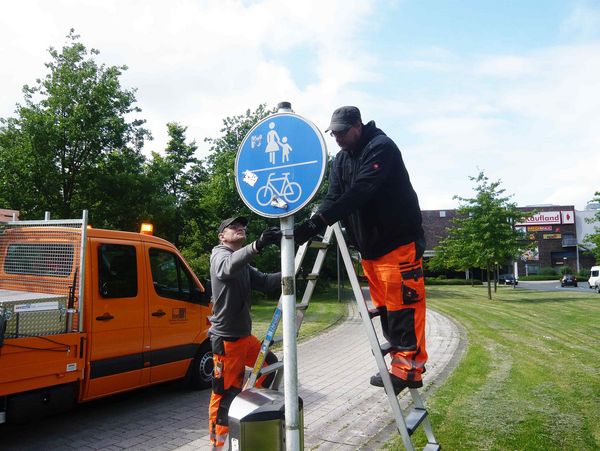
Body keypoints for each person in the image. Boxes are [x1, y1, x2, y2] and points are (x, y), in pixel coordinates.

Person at [294, 106, 428, 395]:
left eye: (342, 132)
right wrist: (311, 225)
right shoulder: (341, 160)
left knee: (404, 308)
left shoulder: (381, 147)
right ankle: (398, 367)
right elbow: (333, 199)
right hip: (370, 250)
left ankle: (410, 371)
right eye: (334, 133)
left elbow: (362, 191)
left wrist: (318, 222)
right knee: (388, 312)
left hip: (398, 243)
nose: (338, 138)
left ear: (358, 126)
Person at [208, 216, 282, 450]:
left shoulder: (244, 265)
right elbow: (226, 268)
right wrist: (257, 245)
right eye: (234, 227)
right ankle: (217, 444)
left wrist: (293, 269)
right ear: (222, 236)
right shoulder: (219, 255)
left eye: (243, 227)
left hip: (245, 338)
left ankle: (250, 411)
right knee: (224, 393)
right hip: (227, 340)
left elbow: (267, 283)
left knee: (269, 366)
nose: (241, 229)